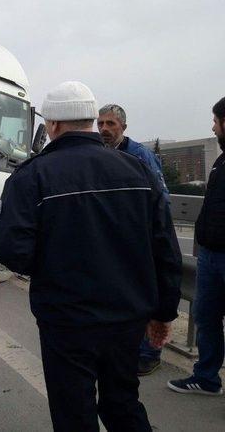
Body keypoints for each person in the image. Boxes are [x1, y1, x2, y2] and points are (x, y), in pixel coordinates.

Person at [0, 81, 181, 432]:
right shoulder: (138, 172)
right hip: (127, 317)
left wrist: (49, 269)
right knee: (122, 402)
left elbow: (7, 245)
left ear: (54, 126)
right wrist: (164, 312)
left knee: (73, 410)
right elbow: (165, 247)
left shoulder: (33, 175)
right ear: (92, 121)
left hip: (66, 319)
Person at [98, 103, 170, 376]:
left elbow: (161, 199)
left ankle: (150, 353)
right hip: (115, 240)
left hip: (142, 240)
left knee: (146, 296)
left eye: (111, 124)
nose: (104, 129)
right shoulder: (100, 154)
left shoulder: (140, 156)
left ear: (123, 128)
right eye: (101, 123)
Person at [168, 97, 225, 396]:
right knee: (206, 317)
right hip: (210, 256)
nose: (212, 126)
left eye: (215, 121)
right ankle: (206, 379)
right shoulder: (220, 161)